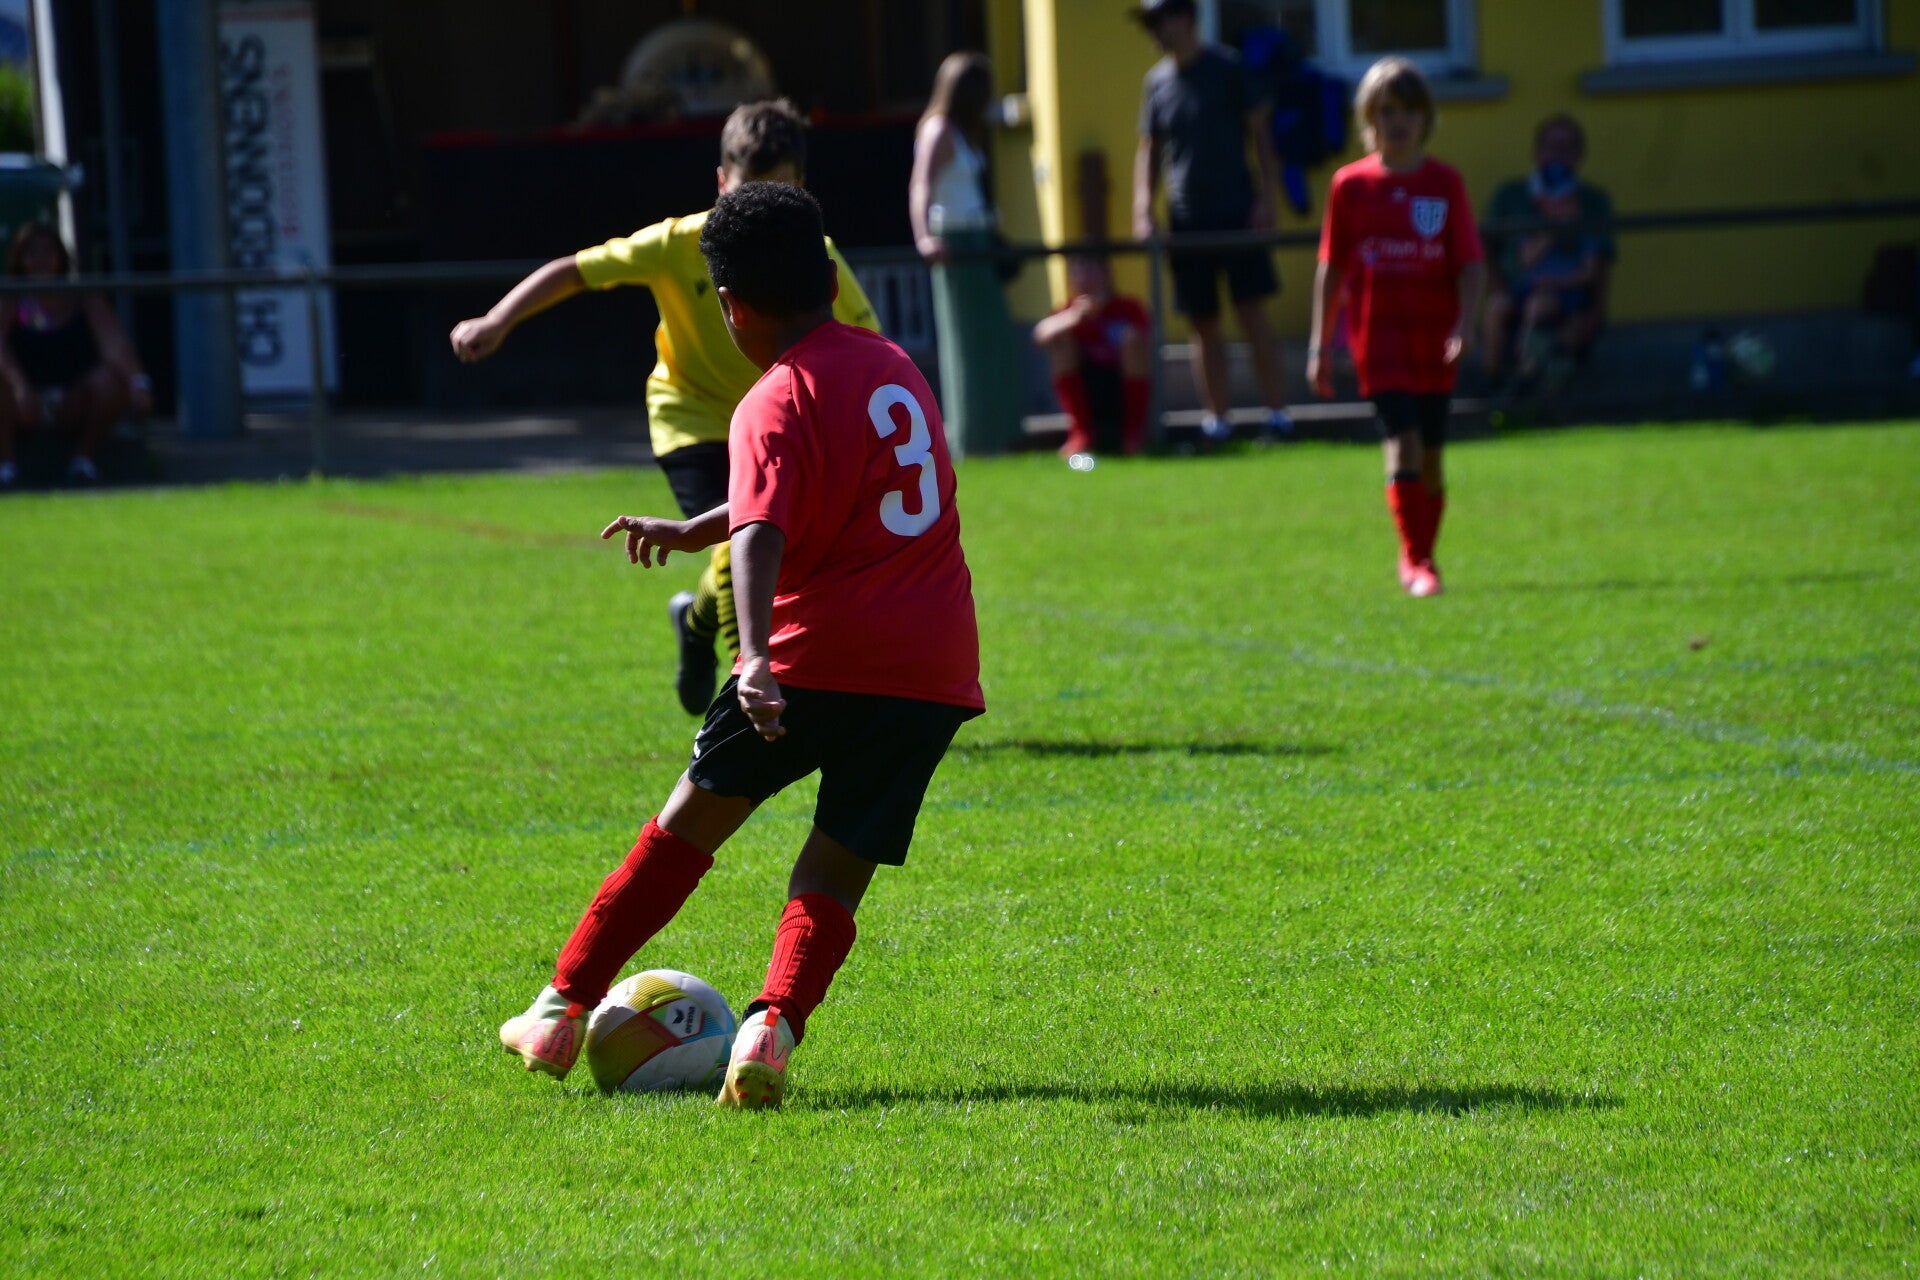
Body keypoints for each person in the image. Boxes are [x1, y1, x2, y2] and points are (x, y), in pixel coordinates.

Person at [497, 182, 983, 1111]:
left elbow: (764, 531)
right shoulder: (894, 366)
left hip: (810, 656)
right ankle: (771, 1028)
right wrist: (698, 529)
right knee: (833, 869)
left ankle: (559, 1010)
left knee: (683, 832)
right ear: (829, 282)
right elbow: (818, 487)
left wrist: (753, 655)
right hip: (929, 670)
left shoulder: (771, 397)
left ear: (730, 307)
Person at [449, 100, 879, 716]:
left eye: (778, 194)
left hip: (776, 427)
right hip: (693, 420)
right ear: (721, 183)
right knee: (745, 539)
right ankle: (747, 694)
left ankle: (696, 623)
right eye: (748, 193)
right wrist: (497, 320)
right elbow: (574, 271)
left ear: (802, 191)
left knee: (766, 546)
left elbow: (868, 342)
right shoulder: (679, 243)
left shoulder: (816, 256)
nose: (760, 214)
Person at [1309, 58, 1486, 599]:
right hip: (1378, 340)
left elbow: (1470, 264)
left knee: (1431, 453)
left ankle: (1424, 555)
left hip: (1433, 340)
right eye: (1387, 111)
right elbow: (1331, 267)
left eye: (1409, 111)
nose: (1399, 122)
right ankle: (1415, 560)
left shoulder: (1444, 183)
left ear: (1425, 118)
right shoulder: (1351, 185)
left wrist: (1465, 324)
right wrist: (1320, 344)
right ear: (1370, 119)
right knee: (1403, 440)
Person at [1132, 0, 1294, 447]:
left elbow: (1261, 135)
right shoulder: (1156, 83)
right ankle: (1217, 423)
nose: (1155, 31)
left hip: (1237, 214)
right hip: (1186, 220)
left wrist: (1267, 197)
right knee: (1202, 323)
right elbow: (1149, 150)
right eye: (1149, 23)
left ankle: (1279, 416)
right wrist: (1143, 207)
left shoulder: (1228, 68)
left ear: (1186, 18)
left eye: (1160, 20)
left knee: (1252, 314)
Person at [910, 51, 1025, 457]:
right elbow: (921, 186)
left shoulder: (963, 132)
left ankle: (998, 431)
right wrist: (925, 237)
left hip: (978, 238)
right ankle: (972, 436)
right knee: (967, 342)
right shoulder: (939, 130)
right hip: (955, 242)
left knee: (991, 338)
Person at [0, 223, 153, 489]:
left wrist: (138, 381)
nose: (41, 260)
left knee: (109, 383)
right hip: (22, 400)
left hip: (72, 399)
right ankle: (6, 467)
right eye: (32, 253)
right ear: (19, 259)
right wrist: (19, 386)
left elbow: (114, 342)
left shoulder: (83, 296)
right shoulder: (9, 299)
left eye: (48, 251)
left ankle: (83, 462)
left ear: (60, 257)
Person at [1480, 114, 1615, 389]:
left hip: (1565, 295)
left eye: (1567, 149)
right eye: (1552, 147)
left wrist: (1595, 313)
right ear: (1537, 151)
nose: (1558, 156)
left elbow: (1597, 267)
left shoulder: (1592, 202)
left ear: (1579, 155)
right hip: (1518, 288)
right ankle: (1493, 385)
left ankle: (1528, 377)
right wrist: (1501, 289)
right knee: (1498, 308)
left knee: (1540, 307)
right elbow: (1487, 251)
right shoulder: (1511, 195)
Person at [1031, 255, 1151, 459]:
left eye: (1092, 270)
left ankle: (1133, 436)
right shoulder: (1067, 311)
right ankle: (1081, 434)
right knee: (1061, 343)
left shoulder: (1128, 308)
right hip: (1084, 385)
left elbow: (1145, 338)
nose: (1086, 278)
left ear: (1107, 273)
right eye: (1079, 272)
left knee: (1133, 341)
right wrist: (1075, 317)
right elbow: (1040, 335)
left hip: (1121, 385)